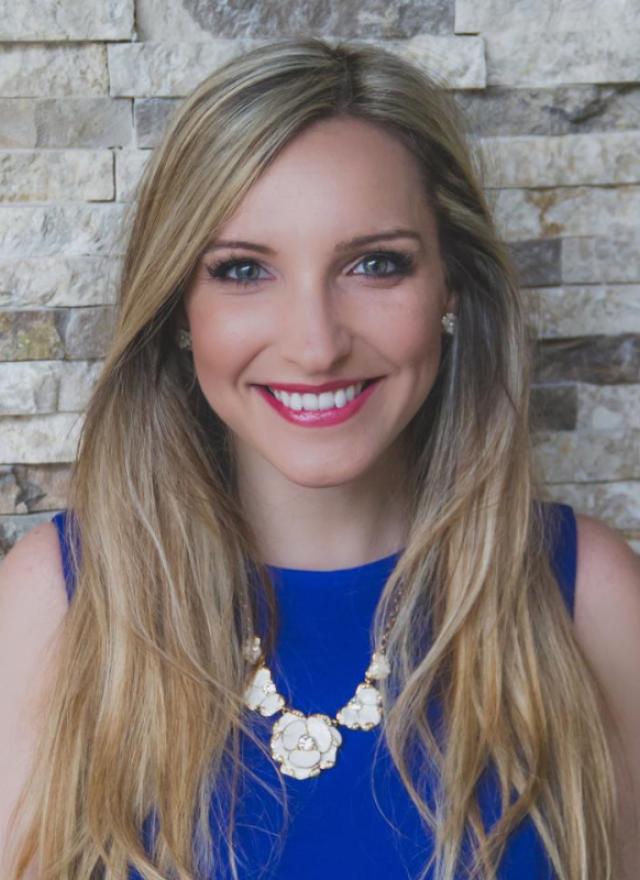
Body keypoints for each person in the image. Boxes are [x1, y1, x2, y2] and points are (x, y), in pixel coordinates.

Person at [0, 36, 638, 880]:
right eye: (242, 270)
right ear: (178, 309)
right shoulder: (54, 603)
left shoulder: (587, 594)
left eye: (376, 264)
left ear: (450, 285)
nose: (315, 344)